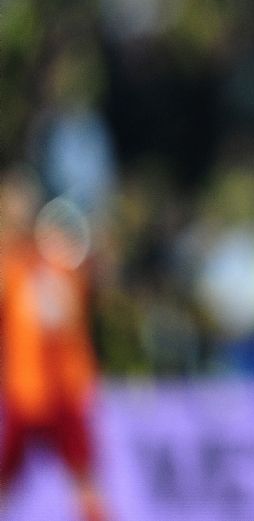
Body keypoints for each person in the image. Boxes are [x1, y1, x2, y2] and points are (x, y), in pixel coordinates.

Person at [0, 172, 106, 521]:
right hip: (25, 391)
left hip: (63, 391)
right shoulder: (13, 266)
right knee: (8, 478)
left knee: (83, 476)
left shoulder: (57, 263)